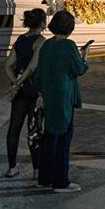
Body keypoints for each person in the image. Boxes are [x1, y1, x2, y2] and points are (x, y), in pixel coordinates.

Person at [24, 10, 90, 193]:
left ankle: (44, 178)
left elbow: (39, 73)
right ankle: (61, 181)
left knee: (49, 137)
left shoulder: (46, 45)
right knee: (63, 138)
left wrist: (41, 93)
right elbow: (79, 69)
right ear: (69, 27)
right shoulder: (68, 46)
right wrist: (84, 56)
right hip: (63, 96)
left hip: (48, 95)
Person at [4, 8, 47, 178]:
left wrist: (15, 84)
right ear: (43, 23)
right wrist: (20, 83)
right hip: (35, 89)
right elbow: (33, 67)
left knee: (14, 127)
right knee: (34, 128)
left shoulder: (20, 40)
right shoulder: (41, 41)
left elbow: (7, 65)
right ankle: (37, 169)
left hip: (20, 91)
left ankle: (12, 167)